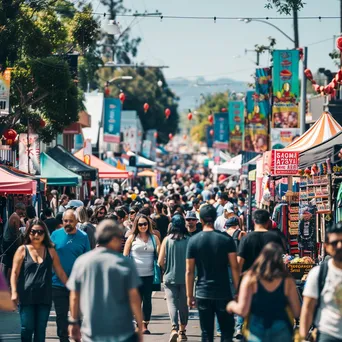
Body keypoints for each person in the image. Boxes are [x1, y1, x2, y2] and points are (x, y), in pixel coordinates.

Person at [67, 219, 143, 342]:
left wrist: (74, 322)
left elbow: (75, 295)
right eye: (120, 238)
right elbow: (134, 296)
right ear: (113, 239)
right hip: (122, 331)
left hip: (92, 331)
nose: (121, 241)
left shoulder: (82, 262)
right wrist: (140, 325)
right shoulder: (124, 263)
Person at [186, 204, 239, 342]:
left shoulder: (193, 241)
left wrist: (189, 295)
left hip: (203, 292)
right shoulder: (226, 240)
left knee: (206, 333)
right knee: (227, 332)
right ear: (215, 218)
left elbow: (189, 271)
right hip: (223, 292)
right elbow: (234, 267)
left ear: (201, 220)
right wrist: (238, 290)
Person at [227, 243, 301, 342]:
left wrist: (231, 305)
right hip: (282, 331)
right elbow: (297, 311)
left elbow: (243, 310)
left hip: (256, 332)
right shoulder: (287, 280)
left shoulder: (250, 278)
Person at [10, 219, 68, 342]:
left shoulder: (50, 251)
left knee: (40, 330)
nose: (36, 235)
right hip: (26, 296)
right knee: (27, 328)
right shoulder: (22, 250)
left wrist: (71, 287)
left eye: (40, 232)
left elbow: (60, 272)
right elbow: (14, 273)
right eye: (33, 231)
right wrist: (14, 292)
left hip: (44, 296)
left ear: (45, 233)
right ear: (28, 233)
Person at [51, 209, 90, 342]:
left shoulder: (83, 237)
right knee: (61, 317)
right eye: (65, 221)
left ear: (76, 221)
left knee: (77, 317)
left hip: (77, 285)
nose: (67, 223)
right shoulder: (55, 235)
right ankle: (63, 339)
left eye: (70, 221)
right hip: (57, 284)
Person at [300, 222, 342, 342]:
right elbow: (307, 308)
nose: (339, 246)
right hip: (328, 335)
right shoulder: (318, 274)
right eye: (334, 243)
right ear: (327, 247)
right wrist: (303, 337)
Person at [124, 214, 161, 335]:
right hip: (135, 275)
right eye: (140, 224)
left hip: (149, 274)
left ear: (148, 224)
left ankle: (144, 324)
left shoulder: (154, 238)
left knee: (147, 300)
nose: (143, 226)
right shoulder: (132, 238)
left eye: (145, 224)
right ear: (136, 225)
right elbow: (125, 256)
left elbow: (160, 254)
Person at [158, 215, 190, 341]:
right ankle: (182, 332)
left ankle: (174, 328)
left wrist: (166, 268)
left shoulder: (167, 240)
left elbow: (160, 261)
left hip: (169, 276)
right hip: (186, 277)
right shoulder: (189, 240)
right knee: (183, 305)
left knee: (172, 303)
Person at [3, 202, 26, 280]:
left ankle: (6, 280)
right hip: (10, 243)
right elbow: (17, 233)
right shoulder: (15, 217)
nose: (23, 212)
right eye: (22, 210)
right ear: (18, 209)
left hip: (7, 242)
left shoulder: (13, 215)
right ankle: (9, 281)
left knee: (8, 263)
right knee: (11, 264)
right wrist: (20, 244)